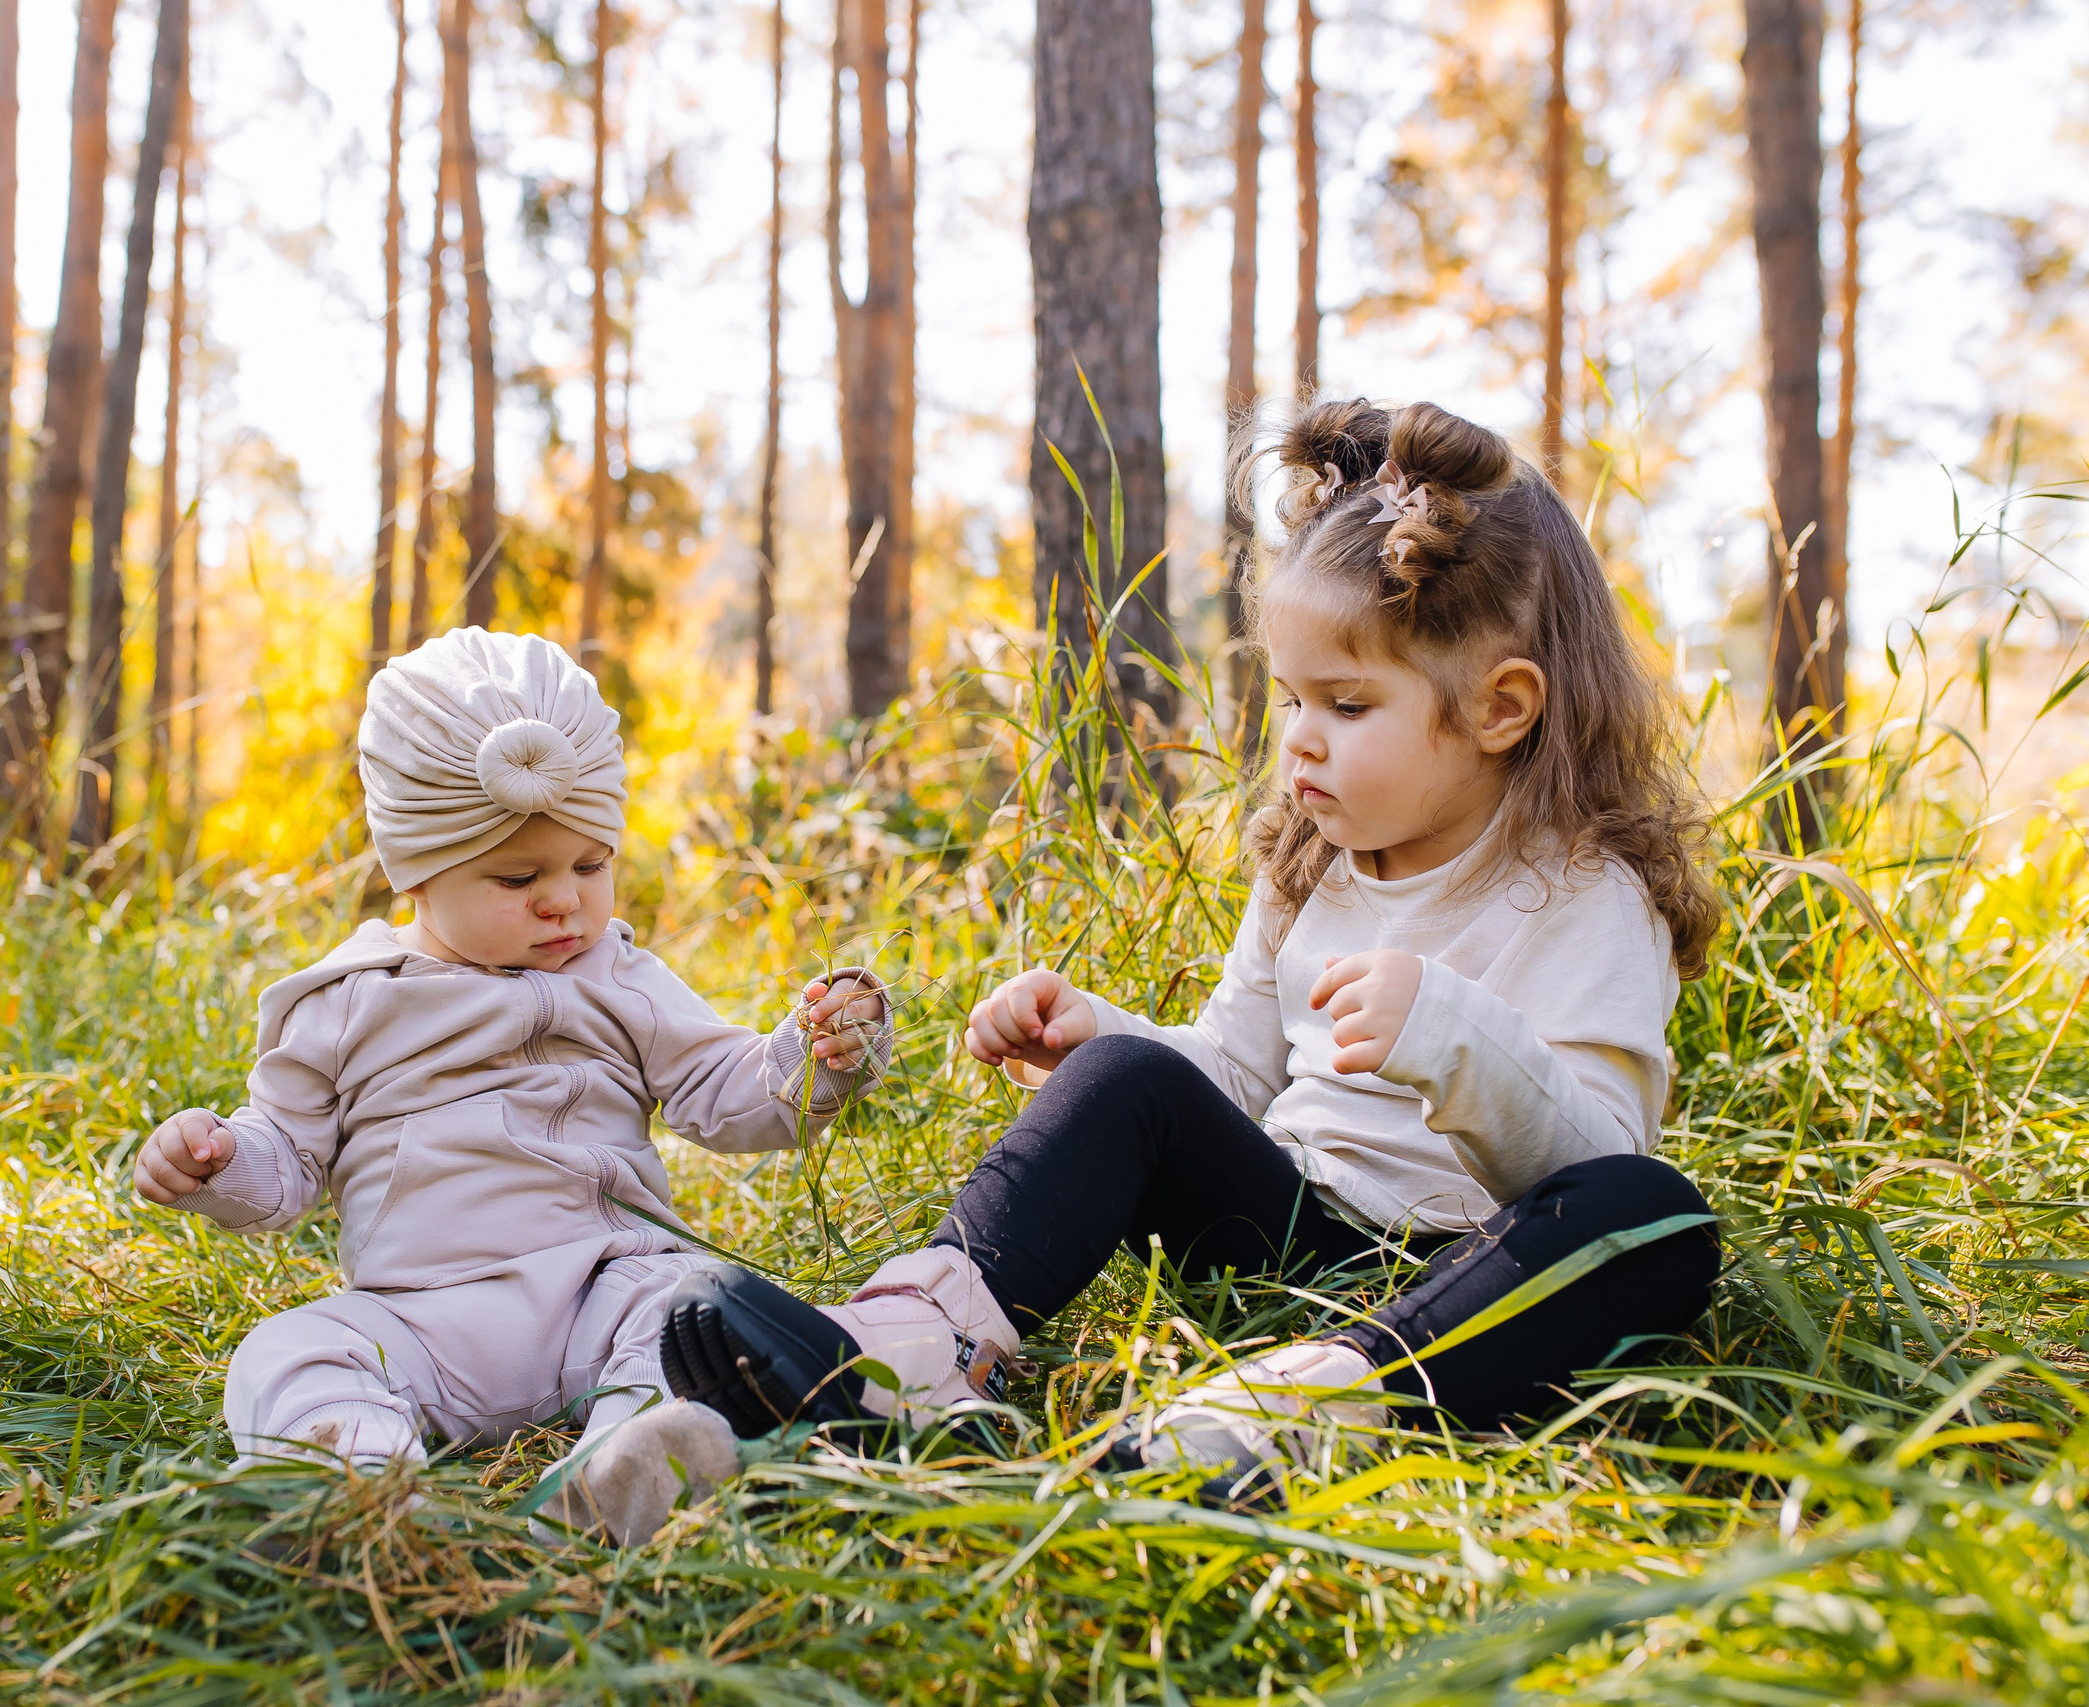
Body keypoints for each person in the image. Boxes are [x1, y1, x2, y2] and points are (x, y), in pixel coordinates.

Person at [658, 400, 1725, 1502]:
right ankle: (909, 1350)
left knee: (1653, 1219)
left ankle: (1297, 1411)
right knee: (1127, 1077)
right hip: (1296, 1230)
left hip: (1477, 1272)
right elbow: (1236, 1070)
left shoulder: (1590, 896)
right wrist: (1103, 1039)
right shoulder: (1313, 866)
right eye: (1292, 697)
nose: (1299, 739)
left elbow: (1595, 1158)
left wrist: (1454, 1036)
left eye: (1348, 704)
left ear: (1500, 708)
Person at [134, 627, 888, 1544]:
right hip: (426, 1316)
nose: (564, 899)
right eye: (518, 875)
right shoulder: (347, 999)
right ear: (414, 872)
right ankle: (362, 1492)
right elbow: (287, 1157)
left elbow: (720, 1087)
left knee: (695, 1308)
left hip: (606, 1287)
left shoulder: (620, 976)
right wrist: (218, 1161)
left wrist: (813, 1055)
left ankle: (623, 1466)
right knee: (284, 1349)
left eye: (591, 864)